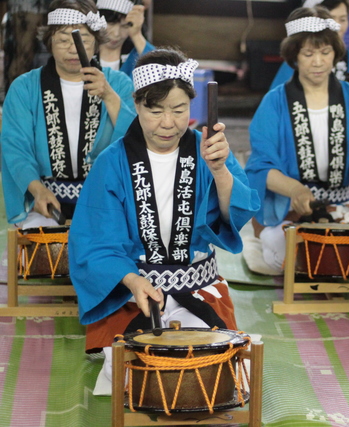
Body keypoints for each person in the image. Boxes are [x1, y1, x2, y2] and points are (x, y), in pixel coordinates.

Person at [68, 48, 260, 395]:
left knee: (209, 366)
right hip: (133, 296)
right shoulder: (112, 163)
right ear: (137, 105)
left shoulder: (207, 149)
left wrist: (221, 173)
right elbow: (95, 241)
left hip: (196, 289)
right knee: (129, 371)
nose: (168, 123)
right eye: (155, 111)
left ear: (192, 105)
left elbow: (237, 216)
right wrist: (132, 280)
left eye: (179, 109)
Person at [244, 6, 349, 273]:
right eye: (308, 54)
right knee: (287, 259)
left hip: (339, 206)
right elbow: (260, 167)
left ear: (335, 54)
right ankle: (262, 236)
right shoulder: (275, 103)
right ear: (294, 58)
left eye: (325, 53)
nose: (318, 62)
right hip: (289, 209)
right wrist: (296, 190)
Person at [1, 0, 136, 227]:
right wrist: (37, 190)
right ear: (49, 42)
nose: (74, 49)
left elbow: (138, 141)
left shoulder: (119, 85)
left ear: (96, 42)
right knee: (43, 250)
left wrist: (109, 97)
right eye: (64, 40)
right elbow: (15, 147)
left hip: (107, 201)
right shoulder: (25, 87)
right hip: (46, 203)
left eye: (83, 40)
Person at [269, 0, 349, 121]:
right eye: (331, 19)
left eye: (343, 19)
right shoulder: (297, 62)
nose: (337, 27)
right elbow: (273, 107)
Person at [96, 0, 154, 78]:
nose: (116, 33)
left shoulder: (136, 54)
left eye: (125, 26)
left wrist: (136, 35)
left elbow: (158, 68)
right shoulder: (86, 51)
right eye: (111, 24)